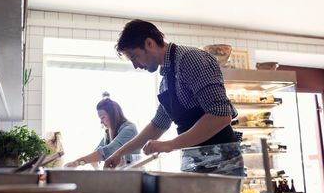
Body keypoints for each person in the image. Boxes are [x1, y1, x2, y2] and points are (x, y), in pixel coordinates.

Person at [103, 19, 244, 176]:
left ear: (149, 43)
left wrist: (169, 145)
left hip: (221, 161)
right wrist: (119, 153)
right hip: (194, 161)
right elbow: (158, 125)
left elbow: (221, 115)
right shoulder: (166, 80)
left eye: (134, 57)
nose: (136, 65)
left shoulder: (190, 60)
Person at [65, 96, 140, 167]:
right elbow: (96, 154)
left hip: (131, 176)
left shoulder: (129, 130)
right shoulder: (109, 132)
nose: (101, 122)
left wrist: (78, 162)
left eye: (102, 117)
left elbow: (108, 151)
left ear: (113, 115)